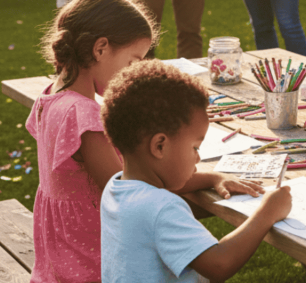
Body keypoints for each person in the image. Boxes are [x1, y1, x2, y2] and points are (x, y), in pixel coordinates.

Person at [27, 0, 262, 283]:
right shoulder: (81, 114)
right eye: (132, 62)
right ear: (100, 48)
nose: (132, 73)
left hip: (59, 256)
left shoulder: (50, 96)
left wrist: (214, 178)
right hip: (87, 263)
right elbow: (134, 187)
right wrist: (209, 182)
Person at [100, 61, 293, 283]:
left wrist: (213, 177)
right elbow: (219, 264)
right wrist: (268, 212)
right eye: (195, 147)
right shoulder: (162, 207)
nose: (198, 158)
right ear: (159, 146)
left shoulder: (115, 188)